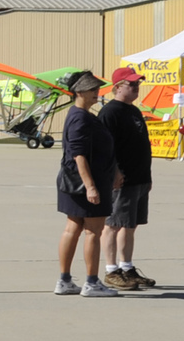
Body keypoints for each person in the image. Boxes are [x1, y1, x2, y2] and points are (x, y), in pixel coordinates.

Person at [55, 71, 117, 297]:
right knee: (93, 231)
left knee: (73, 228)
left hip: (75, 182)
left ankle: (65, 280)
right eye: (92, 90)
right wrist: (91, 186)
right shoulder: (81, 117)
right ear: (79, 92)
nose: (97, 93)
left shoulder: (79, 114)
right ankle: (91, 282)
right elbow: (78, 154)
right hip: (87, 182)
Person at [99, 67, 156, 291]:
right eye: (131, 84)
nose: (136, 88)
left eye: (137, 84)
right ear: (117, 87)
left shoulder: (133, 111)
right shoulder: (110, 112)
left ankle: (127, 267)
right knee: (113, 224)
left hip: (139, 178)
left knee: (130, 225)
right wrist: (115, 172)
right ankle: (111, 270)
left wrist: (147, 176)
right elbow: (105, 148)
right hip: (121, 180)